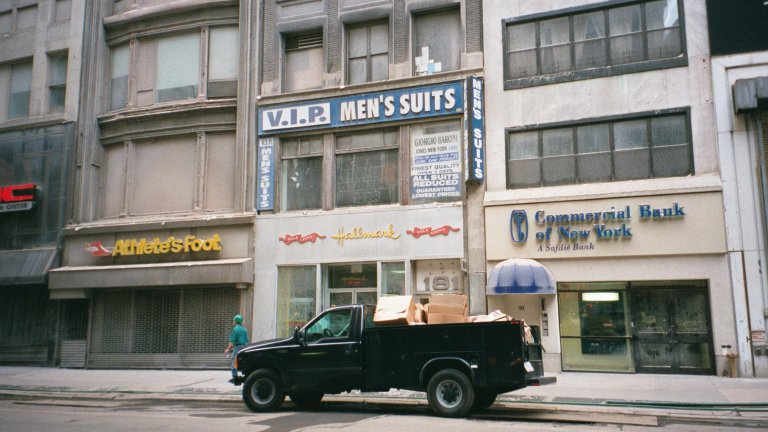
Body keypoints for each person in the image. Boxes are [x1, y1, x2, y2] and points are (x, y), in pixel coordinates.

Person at [224, 314, 249, 383]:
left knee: (235, 362)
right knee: (244, 361)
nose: (233, 322)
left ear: (235, 321)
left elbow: (232, 342)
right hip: (245, 347)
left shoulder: (235, 329)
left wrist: (228, 349)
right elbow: (247, 340)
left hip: (237, 348)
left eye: (233, 321)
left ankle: (235, 377)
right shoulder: (244, 329)